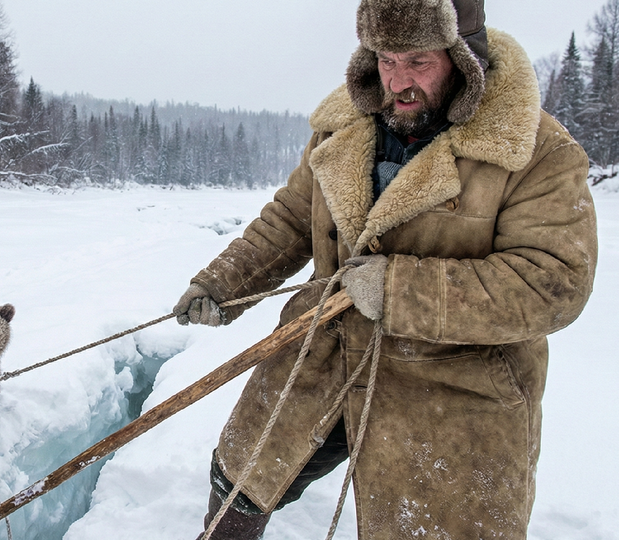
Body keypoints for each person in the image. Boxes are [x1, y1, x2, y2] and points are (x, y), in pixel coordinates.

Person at [173, 0, 598, 538]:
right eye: (386, 59)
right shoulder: (342, 128)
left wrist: (399, 289)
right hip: (322, 355)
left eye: (418, 62)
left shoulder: (536, 150)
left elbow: (554, 282)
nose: (397, 81)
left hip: (452, 386)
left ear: (464, 59)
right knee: (240, 479)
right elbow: (291, 219)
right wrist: (222, 282)